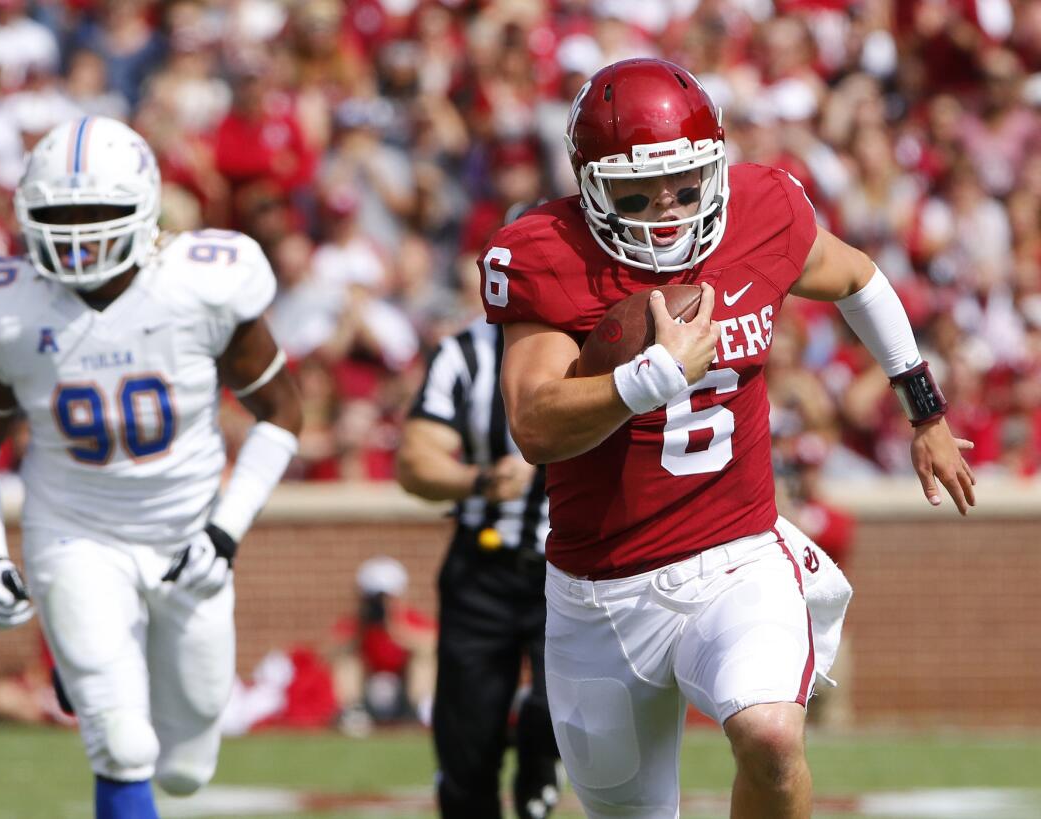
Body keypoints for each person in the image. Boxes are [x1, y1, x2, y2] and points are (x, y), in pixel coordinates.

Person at [479, 58, 975, 819]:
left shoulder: (760, 208)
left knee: (772, 735)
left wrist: (925, 409)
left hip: (736, 558)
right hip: (604, 592)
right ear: (588, 183)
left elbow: (857, 278)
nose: (667, 210)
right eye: (637, 193)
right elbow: (535, 425)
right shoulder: (547, 251)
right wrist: (650, 377)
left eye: (684, 184)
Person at [0, 116, 302, 819]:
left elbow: (283, 414)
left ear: (144, 211)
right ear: (25, 216)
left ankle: (93, 664)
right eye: (58, 216)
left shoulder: (201, 284)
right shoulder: (3, 306)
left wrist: (224, 531)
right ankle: (87, 660)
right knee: (122, 741)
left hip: (191, 536)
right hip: (74, 531)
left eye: (99, 215)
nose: (78, 234)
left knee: (187, 766)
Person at [397, 315, 561, 819]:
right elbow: (415, 461)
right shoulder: (465, 352)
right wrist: (483, 480)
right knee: (467, 749)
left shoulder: (604, 339)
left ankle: (542, 758)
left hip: (575, 565)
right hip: (483, 569)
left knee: (562, 708)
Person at [328, 556, 436, 735]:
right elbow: (331, 654)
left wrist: (397, 629)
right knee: (347, 660)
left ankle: (421, 711)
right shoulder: (356, 624)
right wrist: (360, 633)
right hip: (368, 689)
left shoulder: (410, 620)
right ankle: (352, 712)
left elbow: (434, 646)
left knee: (424, 660)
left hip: (405, 689)